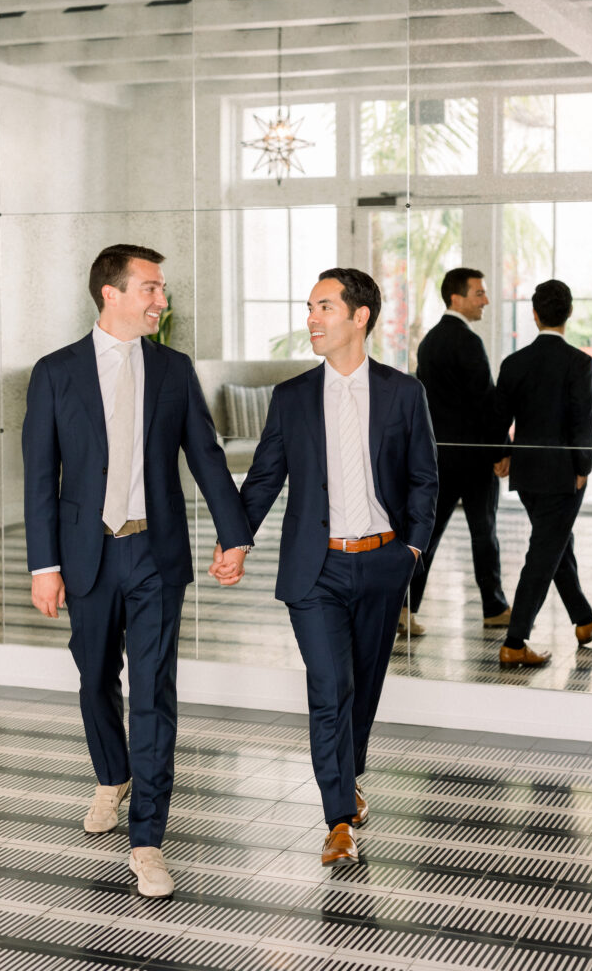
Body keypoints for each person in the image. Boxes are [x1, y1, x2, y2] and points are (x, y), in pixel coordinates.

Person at [22, 244, 252, 897]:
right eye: (150, 288)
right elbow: (41, 475)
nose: (162, 300)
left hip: (156, 554)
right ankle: (110, 774)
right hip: (85, 552)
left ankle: (147, 841)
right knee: (95, 677)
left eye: (162, 288)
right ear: (111, 294)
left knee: (152, 694)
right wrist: (45, 563)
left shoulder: (174, 370)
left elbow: (206, 457)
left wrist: (233, 535)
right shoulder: (56, 372)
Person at [212, 268, 437, 865]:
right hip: (316, 571)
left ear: (360, 316)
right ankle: (338, 819)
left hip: (383, 562)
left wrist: (411, 551)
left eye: (325, 307)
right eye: (310, 307)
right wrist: (234, 540)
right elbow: (262, 480)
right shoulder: (291, 398)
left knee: (362, 688)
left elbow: (423, 479)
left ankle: (348, 776)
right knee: (329, 688)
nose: (312, 318)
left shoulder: (402, 391)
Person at [494, 279, 592, 667]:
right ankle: (515, 642)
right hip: (564, 474)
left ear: (534, 314)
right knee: (545, 551)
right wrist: (583, 467)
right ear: (570, 313)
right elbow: (584, 420)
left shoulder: (514, 363)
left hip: (528, 474)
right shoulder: (579, 362)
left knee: (556, 541)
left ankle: (583, 621)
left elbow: (498, 417)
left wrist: (501, 455)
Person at [403, 267, 510, 636]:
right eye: (479, 293)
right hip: (475, 458)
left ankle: (404, 607)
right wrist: (502, 449)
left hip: (438, 457)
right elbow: (486, 402)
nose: (486, 301)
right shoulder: (468, 341)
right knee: (484, 533)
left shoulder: (430, 341)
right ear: (457, 298)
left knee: (427, 536)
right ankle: (494, 608)